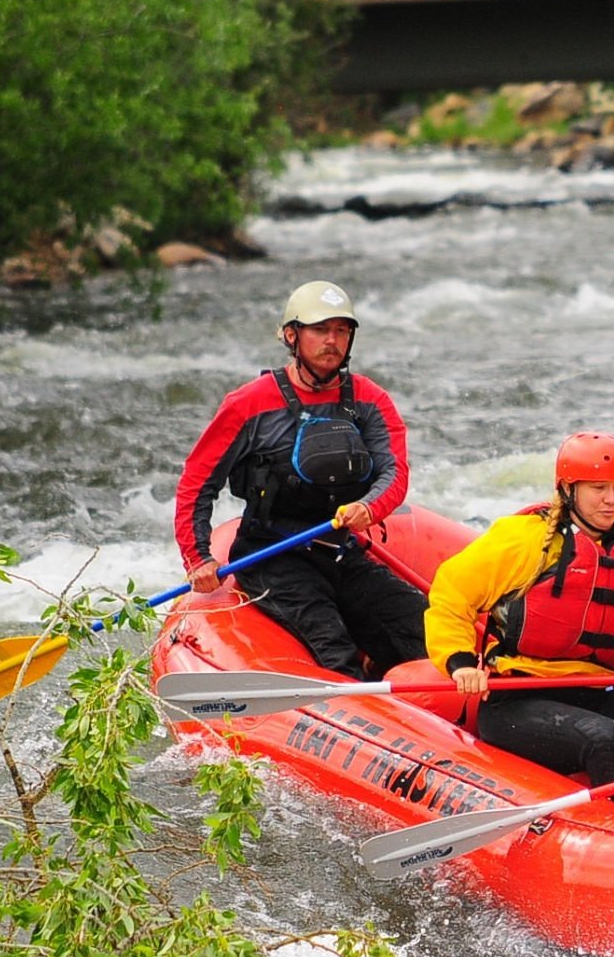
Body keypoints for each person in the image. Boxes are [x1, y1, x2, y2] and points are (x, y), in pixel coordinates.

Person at [426, 432, 614, 815]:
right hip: (516, 703)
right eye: (598, 488)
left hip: (595, 697)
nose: (611, 499)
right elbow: (451, 596)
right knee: (604, 737)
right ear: (568, 489)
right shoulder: (522, 542)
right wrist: (459, 661)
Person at [175, 280, 427, 679]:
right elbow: (198, 482)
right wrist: (198, 557)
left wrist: (369, 507)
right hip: (272, 555)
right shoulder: (249, 403)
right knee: (333, 649)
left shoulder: (369, 399)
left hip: (341, 549)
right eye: (321, 330)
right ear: (292, 336)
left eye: (342, 331)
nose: (333, 341)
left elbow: (393, 474)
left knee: (426, 633)